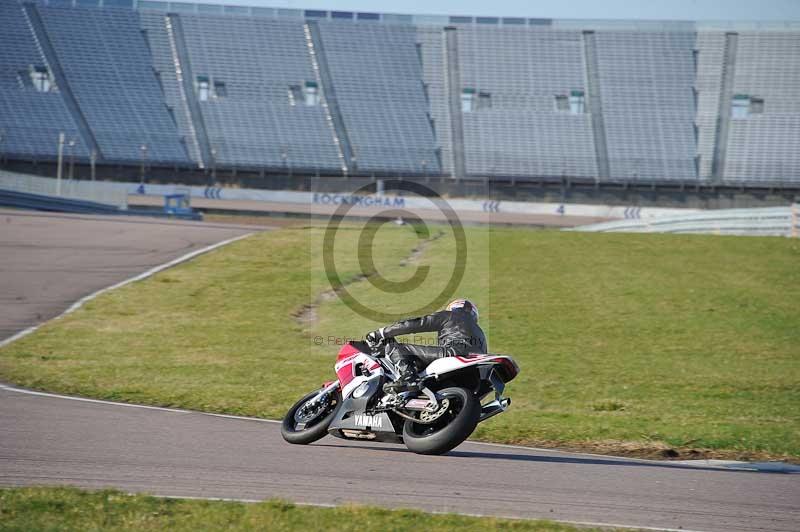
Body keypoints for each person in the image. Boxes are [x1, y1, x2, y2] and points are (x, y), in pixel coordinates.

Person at [366, 299, 487, 393]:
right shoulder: (480, 333)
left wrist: (381, 333)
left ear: (453, 308)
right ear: (473, 314)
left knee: (398, 348)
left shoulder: (450, 315)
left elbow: (417, 324)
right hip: (473, 372)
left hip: (452, 353)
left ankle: (408, 379)